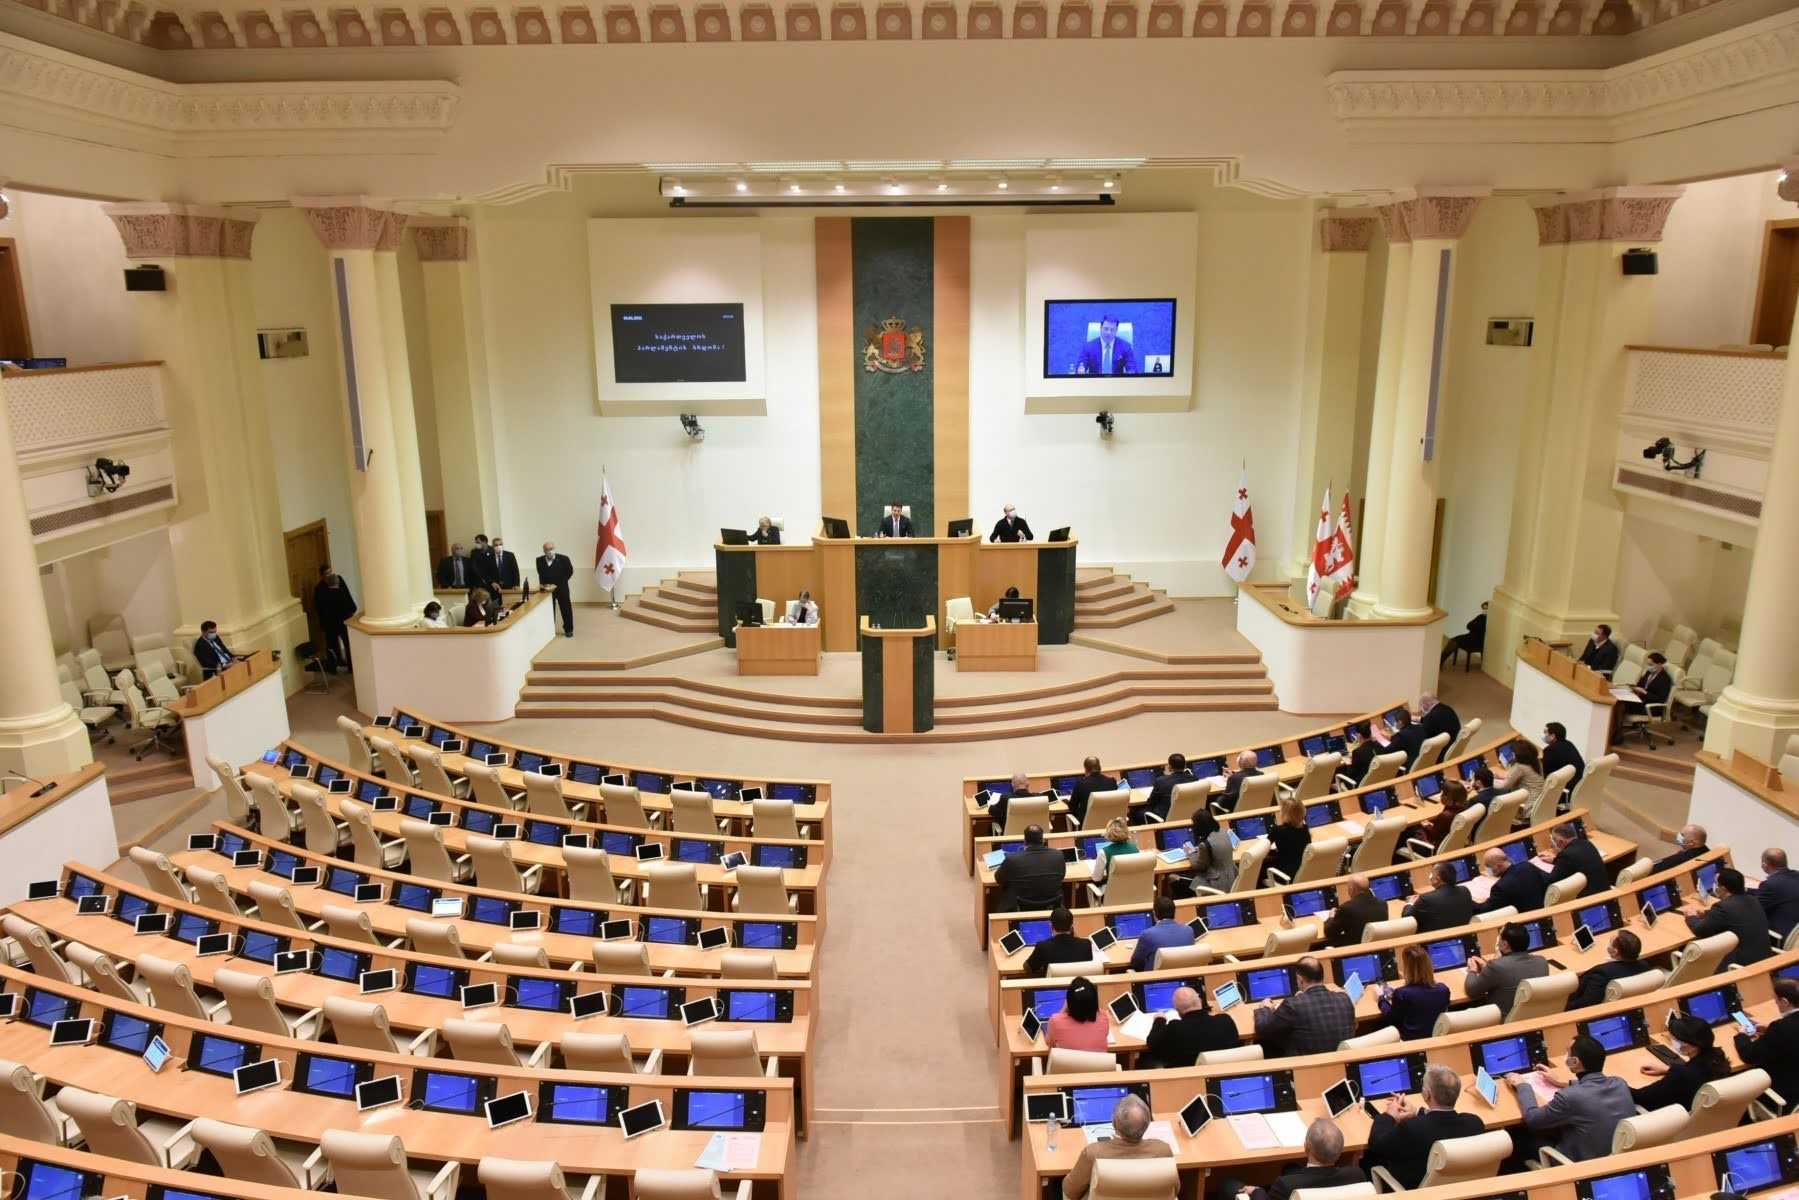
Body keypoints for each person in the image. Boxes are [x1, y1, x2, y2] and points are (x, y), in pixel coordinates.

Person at [1507, 1034, 1635, 1164]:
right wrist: (1560, 1082)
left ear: (1575, 1062)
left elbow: (1532, 1119)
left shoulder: (1569, 1097)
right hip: (1615, 1156)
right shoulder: (1620, 1083)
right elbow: (1594, 1084)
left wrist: (1523, 1086)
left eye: (1567, 1053)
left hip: (1580, 1164)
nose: (1565, 1057)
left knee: (1517, 1135)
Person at [1363, 1064, 1486, 1189]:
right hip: (1462, 1189)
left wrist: (1389, 1115)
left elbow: (1376, 1144)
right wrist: (1417, 1113)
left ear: (1426, 1094)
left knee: (1367, 1160)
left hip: (1417, 1191)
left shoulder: (1411, 1128)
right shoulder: (1475, 1124)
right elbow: (1439, 1122)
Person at [1059, 1094, 1171, 1199]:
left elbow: (1070, 1192)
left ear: (1114, 1123)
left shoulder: (1093, 1153)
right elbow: (1172, 1190)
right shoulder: (1163, 1151)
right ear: (1147, 1124)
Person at [1227, 1118, 1365, 1200]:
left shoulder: (1286, 1186)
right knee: (1291, 1168)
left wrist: (1257, 1191)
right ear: (1340, 1150)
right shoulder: (1357, 1175)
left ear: (1306, 1147)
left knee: (1228, 1184)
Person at [1253, 957, 1354, 1056]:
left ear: (1300, 979)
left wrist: (1264, 1008)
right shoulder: (1345, 998)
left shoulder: (1293, 1005)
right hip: (1341, 1061)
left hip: (1307, 1066)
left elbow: (1263, 1029)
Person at [1631, 1012, 1729, 1111]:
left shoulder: (1681, 1075)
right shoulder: (1717, 1056)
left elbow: (1640, 1097)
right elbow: (1693, 1072)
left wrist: (1616, 1084)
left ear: (1693, 1045)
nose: (1673, 1041)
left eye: (1676, 1039)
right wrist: (1670, 1069)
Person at [1683, 866, 1773, 967]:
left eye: (1717, 884)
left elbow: (1699, 930)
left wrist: (1691, 916)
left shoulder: (1723, 907)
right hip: (1765, 958)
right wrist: (1706, 913)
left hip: (1740, 964)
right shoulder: (1753, 899)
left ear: (1723, 888)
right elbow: (1734, 912)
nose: (1715, 887)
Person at [1734, 978, 1799, 1106]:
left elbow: (1749, 1055)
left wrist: (1741, 1036)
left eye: (1776, 1000)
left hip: (1786, 1093)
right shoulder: (1780, 1028)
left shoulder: (1780, 1028)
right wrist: (1771, 1029)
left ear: (1785, 1002)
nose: (1775, 1002)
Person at [1464, 923, 1550, 1017]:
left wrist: (1472, 970)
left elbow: (1471, 990)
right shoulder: (1542, 962)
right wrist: (1486, 968)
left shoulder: (1497, 966)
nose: (1497, 940)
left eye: (1499, 937)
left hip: (1503, 1021)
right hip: (1534, 1017)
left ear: (1505, 945)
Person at [1143, 986, 1238, 1068]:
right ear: (1200, 1001)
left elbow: (1152, 1043)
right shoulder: (1225, 1020)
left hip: (1185, 1076)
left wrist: (1159, 1020)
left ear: (1177, 1011)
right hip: (1224, 1071)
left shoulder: (1175, 1028)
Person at [1377, 944, 1452, 1040]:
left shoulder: (1402, 994)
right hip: (1436, 1037)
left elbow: (1391, 1018)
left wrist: (1381, 999)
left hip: (1411, 1041)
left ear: (1407, 969)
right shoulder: (1443, 990)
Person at [1567, 929, 1654, 1009]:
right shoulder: (1644, 966)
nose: (1608, 945)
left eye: (1610, 943)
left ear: (1615, 952)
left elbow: (1587, 1003)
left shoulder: (1602, 973)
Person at [994, 825, 1065, 912]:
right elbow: (1061, 877)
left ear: (1025, 841)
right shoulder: (1058, 856)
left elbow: (998, 879)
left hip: (1020, 906)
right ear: (1043, 840)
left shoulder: (1012, 859)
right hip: (1051, 905)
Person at [1127, 896, 1196, 971]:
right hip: (1183, 976)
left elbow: (1135, 963)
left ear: (1154, 913)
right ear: (1174, 912)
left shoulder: (1147, 935)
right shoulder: (1189, 930)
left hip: (1155, 979)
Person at [1404, 861, 1475, 933]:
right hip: (1462, 936)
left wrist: (1410, 903)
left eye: (1432, 873)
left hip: (1434, 941)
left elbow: (1407, 919)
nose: (1430, 876)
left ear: (1437, 879)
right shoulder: (1465, 891)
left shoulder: (1426, 899)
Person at [1023, 906, 1094, 977]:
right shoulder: (1086, 944)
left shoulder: (1042, 947)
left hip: (1054, 987)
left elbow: (1028, 968)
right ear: (1072, 926)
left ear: (1051, 926)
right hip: (1078, 986)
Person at [1476, 847, 1548, 915]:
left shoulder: (1500, 887)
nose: (1487, 870)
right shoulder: (1527, 865)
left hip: (1527, 921)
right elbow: (1548, 879)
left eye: (1488, 866)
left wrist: (1468, 901)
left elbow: (1484, 910)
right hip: (1546, 911)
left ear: (1499, 866)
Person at [1045, 976, 1107, 1053]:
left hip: (1066, 1065)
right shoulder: (1104, 1017)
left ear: (1069, 1002)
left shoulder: (1055, 1021)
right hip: (1098, 1065)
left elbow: (1049, 1043)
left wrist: (1063, 1009)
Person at [313, 566, 357, 672]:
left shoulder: (339, 579)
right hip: (330, 622)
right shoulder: (319, 588)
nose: (330, 575)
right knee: (332, 646)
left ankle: (352, 666)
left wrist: (352, 608)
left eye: (331, 572)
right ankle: (333, 666)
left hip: (343, 620)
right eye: (327, 573)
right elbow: (319, 608)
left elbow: (347, 595)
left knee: (348, 643)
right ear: (322, 575)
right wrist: (323, 623)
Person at [1324, 874, 1387, 948]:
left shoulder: (1346, 908)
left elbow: (1329, 932)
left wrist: (1331, 917)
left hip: (1354, 950)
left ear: (1352, 889)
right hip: (1378, 947)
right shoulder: (1382, 903)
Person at [1547, 822, 1608, 898]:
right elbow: (1575, 860)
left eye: (1554, 840)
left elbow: (1552, 879)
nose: (1554, 844)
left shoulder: (1566, 855)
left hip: (1590, 898)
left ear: (1561, 842)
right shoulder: (1587, 843)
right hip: (1605, 890)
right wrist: (1554, 860)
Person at [1185, 808, 1236, 895]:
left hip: (1216, 883)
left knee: (1176, 880)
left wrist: (1190, 853)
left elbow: (1199, 866)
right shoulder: (1224, 833)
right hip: (1233, 877)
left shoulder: (1205, 845)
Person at [1088, 818, 1142, 898]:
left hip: (1112, 895)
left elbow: (1096, 878)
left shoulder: (1103, 852)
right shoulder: (1135, 848)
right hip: (1133, 893)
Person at [1265, 794, 1311, 885]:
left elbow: (1264, 848)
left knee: (1263, 867)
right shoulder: (1305, 829)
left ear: (1284, 814)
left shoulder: (1277, 830)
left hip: (1285, 875)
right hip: (1303, 872)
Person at [1414, 779, 1471, 851]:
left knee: (1413, 829)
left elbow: (1433, 836)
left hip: (1437, 848)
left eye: (1442, 793)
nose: (1441, 796)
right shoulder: (1464, 808)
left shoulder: (1445, 816)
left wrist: (1426, 826)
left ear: (1447, 797)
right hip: (1457, 845)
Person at [1141, 753, 1196, 824]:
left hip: (1164, 817)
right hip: (1189, 816)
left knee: (1135, 813)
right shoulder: (1194, 779)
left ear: (1169, 767)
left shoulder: (1161, 781)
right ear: (1185, 765)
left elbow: (1151, 803)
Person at [987, 771, 1045, 838]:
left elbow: (991, 811)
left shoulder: (1006, 798)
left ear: (1012, 784)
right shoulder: (1039, 798)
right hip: (1034, 836)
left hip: (1010, 837)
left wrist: (991, 804)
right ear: (1028, 783)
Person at [1758, 848, 1799, 940]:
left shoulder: (1770, 885)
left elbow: (1755, 909)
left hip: (1784, 938)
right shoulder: (1797, 875)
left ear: (1764, 865)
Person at [536, 541, 575, 638]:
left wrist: (562, 581)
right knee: (549, 610)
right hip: (548, 590)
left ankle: (568, 629)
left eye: (551, 549)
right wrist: (543, 585)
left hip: (562, 588)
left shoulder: (564, 559)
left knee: (566, 609)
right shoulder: (539, 560)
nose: (550, 551)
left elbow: (569, 571)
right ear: (544, 551)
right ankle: (549, 629)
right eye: (547, 549)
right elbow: (540, 573)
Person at [1068, 756, 1118, 827]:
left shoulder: (1081, 784)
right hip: (1110, 826)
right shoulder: (1112, 782)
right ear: (1100, 767)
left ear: (1086, 769)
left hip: (1088, 826)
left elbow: (1072, 808)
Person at [1620, 651, 1673, 717]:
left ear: (1659, 664)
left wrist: (1644, 692)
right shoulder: (1649, 672)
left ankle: (1616, 725)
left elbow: (1660, 699)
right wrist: (1634, 688)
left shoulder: (1665, 679)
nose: (1648, 667)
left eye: (1651, 665)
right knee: (1621, 701)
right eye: (1648, 664)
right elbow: (1640, 684)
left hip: (1652, 707)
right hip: (1642, 700)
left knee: (1622, 705)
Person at [1501, 740, 1547, 815]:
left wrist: (1489, 780)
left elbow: (1505, 786)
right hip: (1540, 803)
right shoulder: (1537, 762)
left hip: (1528, 807)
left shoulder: (1520, 767)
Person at [1542, 722, 1586, 794]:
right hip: (1578, 787)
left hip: (1561, 791)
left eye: (1545, 732)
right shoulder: (1569, 744)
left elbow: (1548, 779)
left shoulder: (1549, 750)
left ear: (1552, 736)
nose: (1543, 735)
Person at [1440, 600, 1488, 666]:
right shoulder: (1480, 616)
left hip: (1478, 640)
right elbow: (1468, 625)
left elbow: (1480, 628)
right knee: (1452, 641)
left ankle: (1440, 661)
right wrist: (1475, 626)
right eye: (1483, 608)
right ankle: (1441, 660)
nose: (1484, 611)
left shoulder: (1489, 619)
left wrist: (1474, 626)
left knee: (1455, 642)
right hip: (1470, 636)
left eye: (1486, 609)